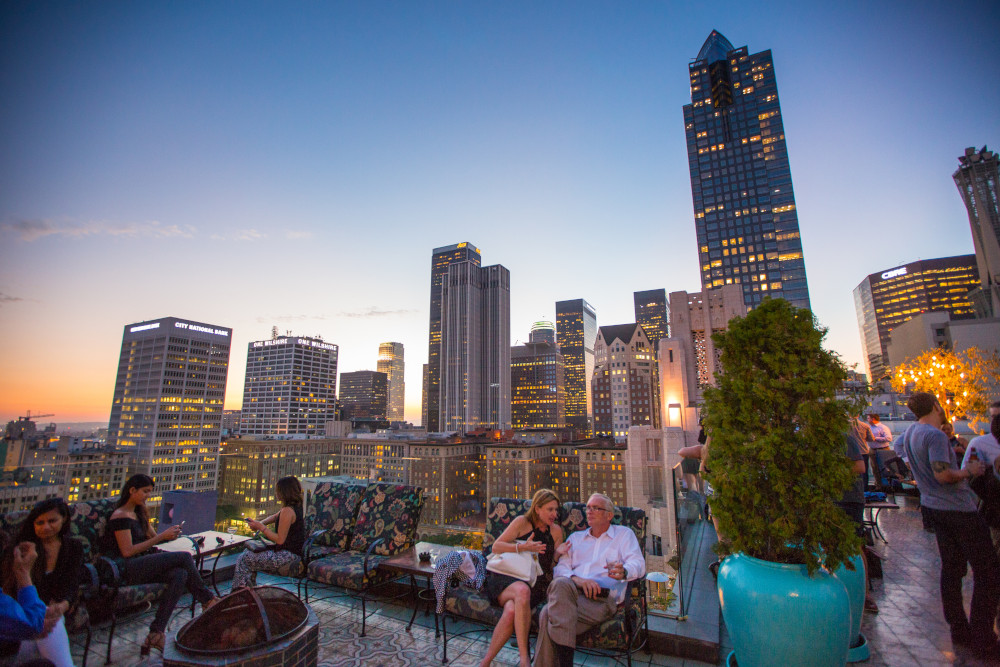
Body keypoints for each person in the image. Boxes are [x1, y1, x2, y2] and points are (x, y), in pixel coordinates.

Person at [901, 392, 1000, 660]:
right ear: (935, 405)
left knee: (953, 568)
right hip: (957, 508)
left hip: (933, 506)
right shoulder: (933, 435)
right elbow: (943, 474)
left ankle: (959, 629)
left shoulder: (910, 432)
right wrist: (971, 471)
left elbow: (902, 452)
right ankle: (983, 637)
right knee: (988, 570)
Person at [105, 474, 217, 655]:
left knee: (180, 574)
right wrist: (160, 537)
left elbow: (152, 539)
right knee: (184, 557)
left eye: (149, 492)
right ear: (132, 490)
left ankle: (156, 633)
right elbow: (127, 551)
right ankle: (208, 600)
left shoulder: (138, 514)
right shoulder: (120, 517)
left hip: (143, 562)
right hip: (127, 567)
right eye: (145, 492)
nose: (147, 496)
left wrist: (168, 535)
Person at [532, 493, 644, 667]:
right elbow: (561, 568)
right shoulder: (575, 539)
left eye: (596, 508)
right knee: (561, 585)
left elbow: (639, 563)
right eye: (588, 508)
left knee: (548, 614)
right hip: (571, 594)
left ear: (609, 515)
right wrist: (578, 580)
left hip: (601, 599)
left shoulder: (623, 535)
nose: (589, 511)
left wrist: (625, 571)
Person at [480, 489, 565, 667]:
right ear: (537, 508)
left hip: (535, 583)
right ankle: (525, 659)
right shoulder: (521, 522)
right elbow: (496, 546)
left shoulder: (556, 532)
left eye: (556, 510)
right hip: (506, 578)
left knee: (511, 610)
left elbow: (551, 568)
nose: (554, 514)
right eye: (550, 509)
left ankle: (485, 662)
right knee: (521, 590)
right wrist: (523, 547)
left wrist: (557, 555)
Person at [10, 499, 82, 667]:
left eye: (52, 521)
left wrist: (62, 606)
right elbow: (15, 587)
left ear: (63, 519)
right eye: (40, 523)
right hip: (26, 610)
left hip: (59, 609)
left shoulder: (73, 547)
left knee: (46, 626)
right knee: (45, 625)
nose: (46, 527)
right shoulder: (25, 549)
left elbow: (73, 583)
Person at [233, 476, 306, 590]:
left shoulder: (288, 511)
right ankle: (248, 591)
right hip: (291, 553)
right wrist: (258, 523)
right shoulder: (295, 506)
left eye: (278, 490)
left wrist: (261, 527)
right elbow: (275, 517)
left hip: (288, 556)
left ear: (284, 492)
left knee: (244, 558)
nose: (276, 493)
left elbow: (280, 539)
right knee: (247, 555)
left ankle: (240, 593)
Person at [837, 425, 878, 613]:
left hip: (849, 498)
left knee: (855, 545)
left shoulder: (844, 437)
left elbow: (860, 466)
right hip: (832, 497)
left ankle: (866, 594)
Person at [866, 414, 893, 487]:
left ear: (873, 419)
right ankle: (878, 485)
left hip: (883, 449)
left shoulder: (883, 427)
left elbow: (889, 438)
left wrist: (875, 438)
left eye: (868, 418)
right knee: (874, 468)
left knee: (885, 467)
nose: (867, 420)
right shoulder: (868, 428)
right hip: (872, 450)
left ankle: (887, 485)